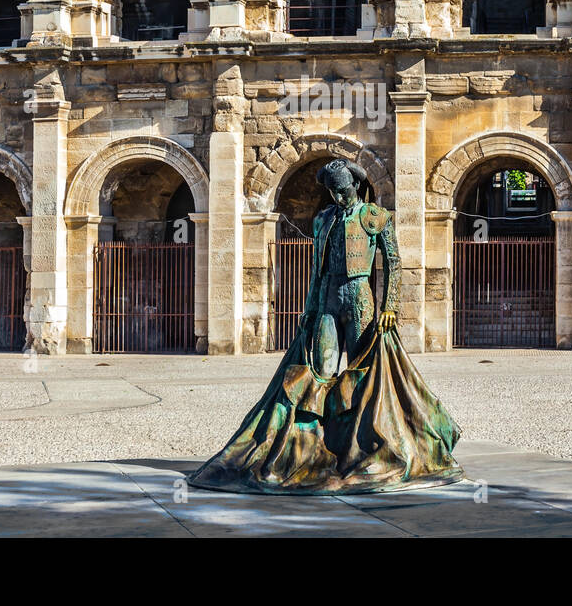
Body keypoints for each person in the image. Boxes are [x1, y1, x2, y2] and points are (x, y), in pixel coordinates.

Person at [188, 159, 463, 494]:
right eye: (333, 192)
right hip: (329, 297)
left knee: (362, 372)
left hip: (360, 295)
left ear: (356, 187)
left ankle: (362, 443)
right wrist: (310, 308)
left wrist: (390, 306)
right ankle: (314, 446)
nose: (338, 197)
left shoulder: (376, 217)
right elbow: (317, 269)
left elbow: (393, 263)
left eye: (343, 191)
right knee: (321, 369)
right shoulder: (324, 219)